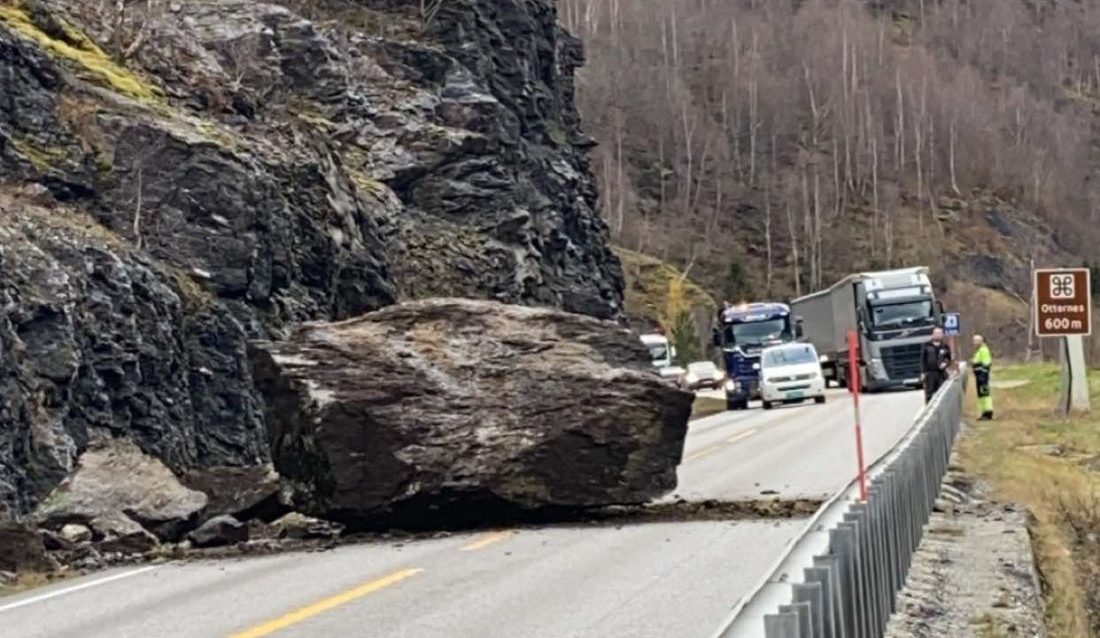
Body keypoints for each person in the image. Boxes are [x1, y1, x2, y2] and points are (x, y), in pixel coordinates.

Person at [920, 326, 952, 403]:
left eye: (939, 333)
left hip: (941, 374)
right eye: (936, 333)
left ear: (942, 334)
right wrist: (922, 373)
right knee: (929, 394)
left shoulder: (945, 346)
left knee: (941, 394)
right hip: (930, 373)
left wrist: (945, 364)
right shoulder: (926, 345)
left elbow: (949, 359)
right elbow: (923, 360)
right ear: (933, 334)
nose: (937, 335)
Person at [972, 334, 994, 420]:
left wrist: (983, 375)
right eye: (974, 340)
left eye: (976, 340)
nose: (974, 342)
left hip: (982, 377)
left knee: (985, 394)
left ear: (981, 341)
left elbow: (986, 363)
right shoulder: (979, 350)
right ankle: (984, 412)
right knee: (981, 395)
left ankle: (988, 412)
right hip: (979, 376)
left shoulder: (984, 350)